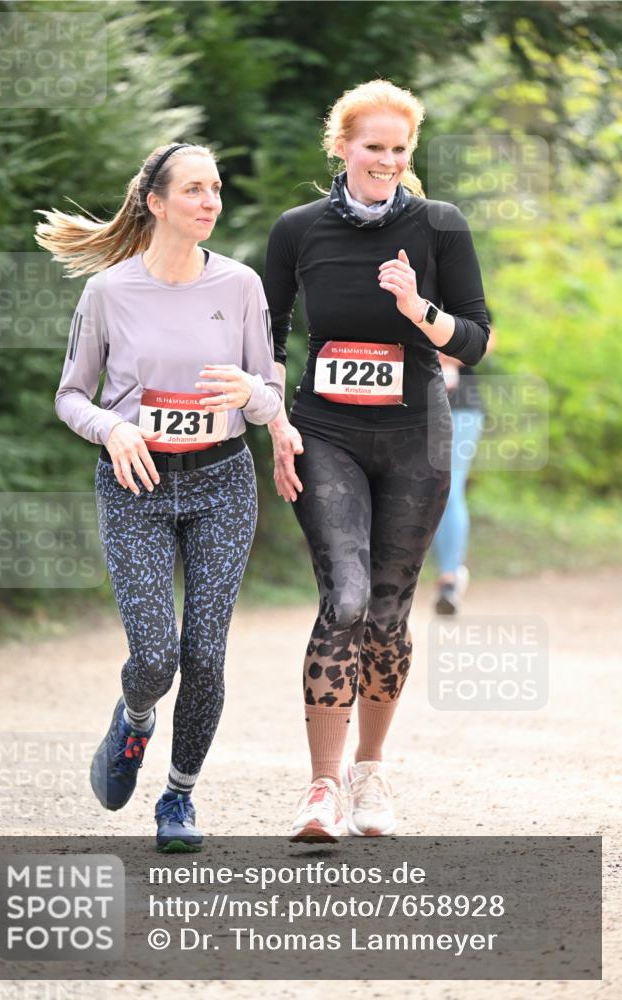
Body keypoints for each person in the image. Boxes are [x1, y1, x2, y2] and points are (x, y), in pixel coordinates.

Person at [35, 142, 282, 852]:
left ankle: (177, 800)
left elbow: (268, 393)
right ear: (157, 203)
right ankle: (134, 721)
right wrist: (112, 429)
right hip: (134, 486)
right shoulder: (108, 292)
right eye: (195, 190)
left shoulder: (239, 285)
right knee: (154, 658)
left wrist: (254, 396)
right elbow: (70, 396)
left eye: (216, 189)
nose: (211, 202)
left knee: (204, 654)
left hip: (221, 482)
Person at [263, 80, 489, 841]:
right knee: (347, 599)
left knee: (389, 613)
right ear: (341, 147)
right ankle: (320, 789)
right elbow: (265, 334)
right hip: (323, 431)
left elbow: (477, 338)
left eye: (399, 150)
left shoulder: (438, 226)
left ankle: (369, 775)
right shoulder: (297, 230)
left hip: (413, 437)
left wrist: (418, 311)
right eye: (373, 147)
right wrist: (272, 425)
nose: (387, 161)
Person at [432, 311, 496, 614]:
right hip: (417, 407)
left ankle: (449, 577)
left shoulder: (464, 291)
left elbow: (485, 343)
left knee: (451, 487)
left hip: (462, 408)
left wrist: (443, 351)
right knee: (427, 492)